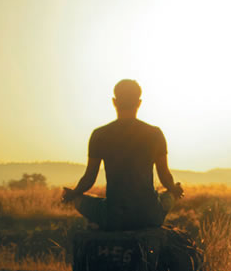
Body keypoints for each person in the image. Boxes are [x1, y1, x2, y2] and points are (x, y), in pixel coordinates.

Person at [62, 79, 183, 231]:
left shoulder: (100, 134)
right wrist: (174, 188)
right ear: (139, 103)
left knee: (79, 200)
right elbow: (165, 176)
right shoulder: (155, 134)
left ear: (114, 101)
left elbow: (89, 178)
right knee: (169, 195)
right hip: (149, 215)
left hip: (113, 216)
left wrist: (73, 194)